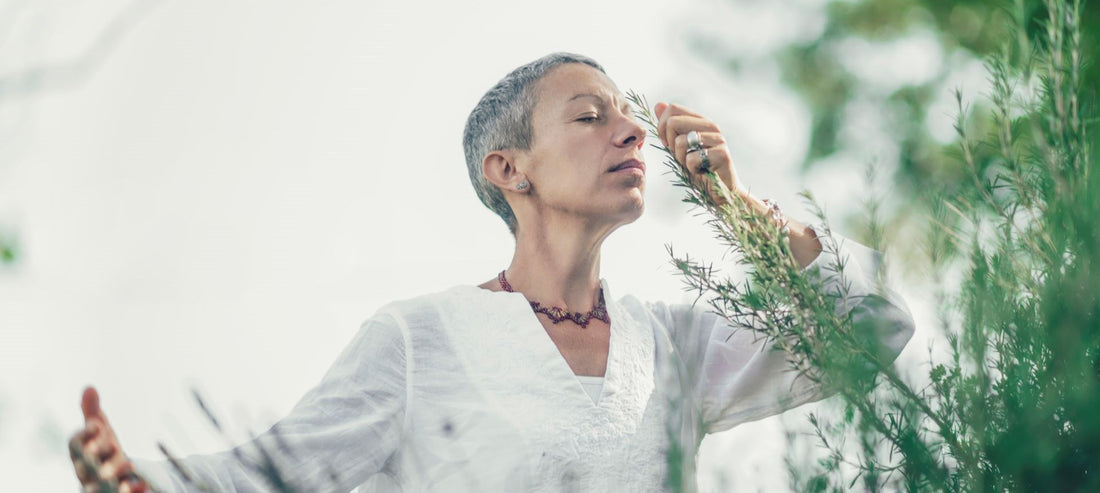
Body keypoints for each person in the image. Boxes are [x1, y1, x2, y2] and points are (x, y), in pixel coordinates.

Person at [69, 52, 915, 492]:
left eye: (629, 115)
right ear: (510, 171)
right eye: (590, 116)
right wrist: (142, 478)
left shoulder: (673, 348)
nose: (630, 132)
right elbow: (274, 475)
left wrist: (738, 206)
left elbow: (874, 323)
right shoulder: (419, 339)